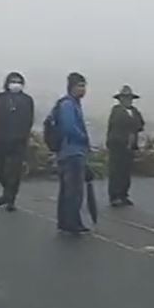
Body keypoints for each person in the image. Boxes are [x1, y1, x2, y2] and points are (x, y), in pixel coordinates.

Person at [0, 72, 35, 212]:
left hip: (19, 141)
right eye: (13, 81)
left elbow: (29, 120)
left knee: (14, 172)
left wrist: (24, 136)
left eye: (18, 81)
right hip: (1, 140)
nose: (15, 84)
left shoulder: (27, 100)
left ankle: (11, 198)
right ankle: (6, 190)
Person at [53, 72, 92, 234]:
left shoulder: (72, 104)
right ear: (72, 87)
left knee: (67, 189)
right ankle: (71, 222)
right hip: (72, 152)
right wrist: (84, 138)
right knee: (73, 190)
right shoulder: (68, 105)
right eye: (80, 86)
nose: (83, 89)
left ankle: (65, 221)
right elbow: (69, 127)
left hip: (68, 152)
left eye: (84, 86)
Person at [106, 85, 145, 207]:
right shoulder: (116, 110)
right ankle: (115, 196)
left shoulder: (134, 111)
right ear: (120, 99)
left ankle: (123, 195)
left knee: (126, 172)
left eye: (129, 98)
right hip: (118, 146)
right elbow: (116, 126)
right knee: (116, 171)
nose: (128, 100)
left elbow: (140, 124)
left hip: (130, 146)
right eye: (125, 98)